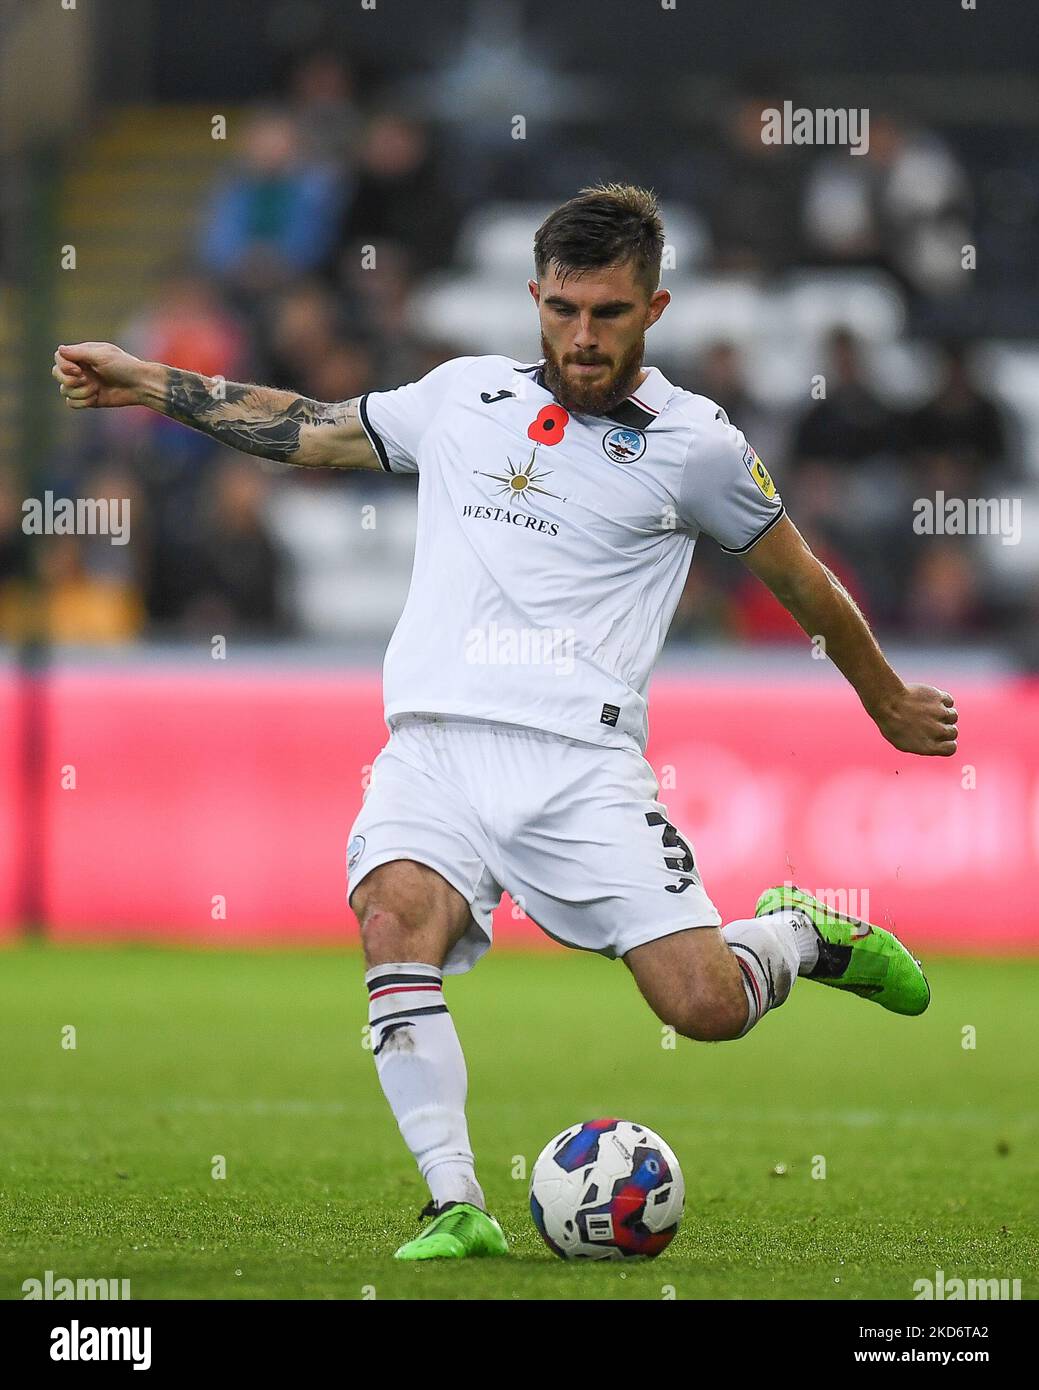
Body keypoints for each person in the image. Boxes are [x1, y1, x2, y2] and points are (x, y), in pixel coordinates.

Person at [52, 184, 957, 1263]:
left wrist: (886, 697)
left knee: (704, 1005)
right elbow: (306, 431)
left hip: (581, 765)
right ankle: (455, 1202)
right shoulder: (460, 399)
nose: (583, 335)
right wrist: (151, 382)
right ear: (534, 297)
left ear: (654, 309)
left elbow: (802, 580)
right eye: (564, 308)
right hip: (432, 745)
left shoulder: (697, 447)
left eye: (608, 313)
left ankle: (800, 934)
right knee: (394, 921)